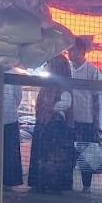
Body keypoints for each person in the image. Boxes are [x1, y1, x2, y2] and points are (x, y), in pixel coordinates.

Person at [68, 37, 102, 192]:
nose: (68, 53)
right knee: (70, 152)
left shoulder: (91, 70)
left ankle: (86, 186)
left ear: (81, 51)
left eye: (71, 50)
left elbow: (96, 98)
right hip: (70, 118)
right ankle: (68, 183)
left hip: (86, 119)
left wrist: (96, 122)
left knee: (86, 152)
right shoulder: (67, 68)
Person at [28, 56, 74, 194]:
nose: (47, 67)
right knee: (43, 155)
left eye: (50, 64)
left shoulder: (63, 86)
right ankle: (41, 183)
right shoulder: (48, 85)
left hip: (56, 127)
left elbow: (67, 103)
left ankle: (54, 184)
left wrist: (50, 108)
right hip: (45, 124)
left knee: (54, 156)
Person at [3, 81, 24, 191]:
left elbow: (18, 97)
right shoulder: (13, 76)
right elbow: (18, 97)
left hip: (0, 118)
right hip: (10, 118)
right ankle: (10, 181)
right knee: (11, 152)